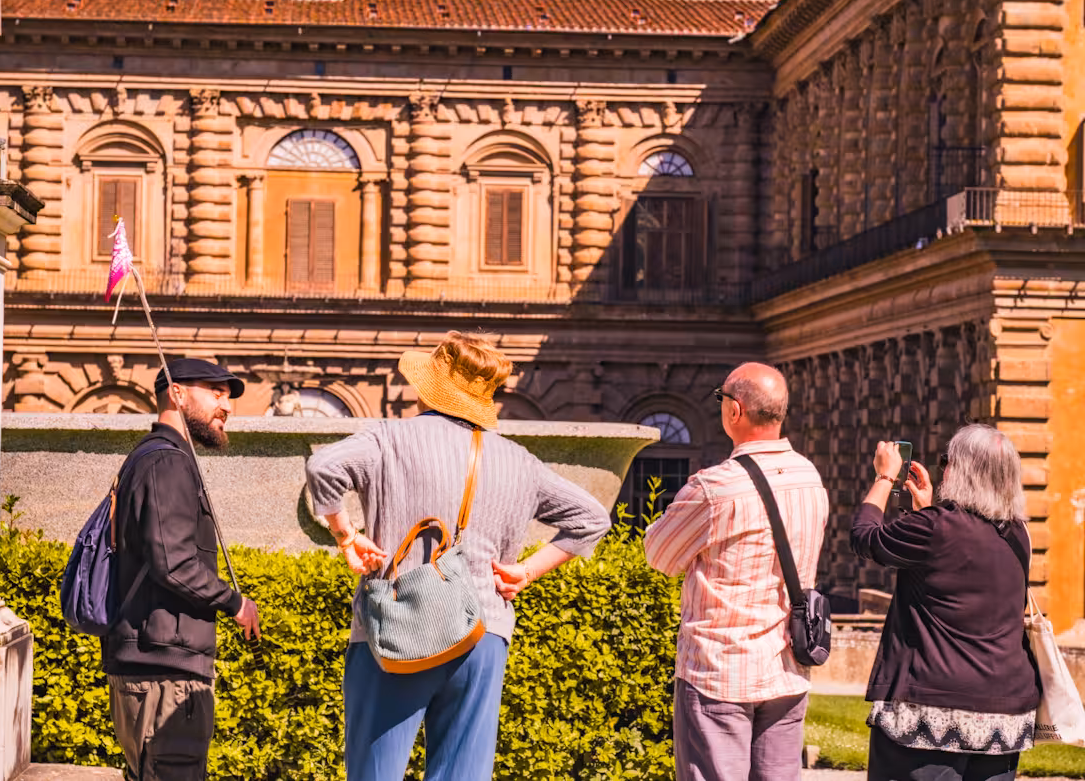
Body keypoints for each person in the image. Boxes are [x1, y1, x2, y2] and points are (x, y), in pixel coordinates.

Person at [305, 331, 611, 781]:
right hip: (482, 633)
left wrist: (347, 534)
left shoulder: (391, 438)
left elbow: (323, 467)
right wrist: (526, 571)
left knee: (376, 773)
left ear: (429, 387)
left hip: (397, 630)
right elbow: (592, 516)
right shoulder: (518, 460)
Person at [643, 362, 829, 781]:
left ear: (735, 411)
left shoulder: (713, 488)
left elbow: (658, 555)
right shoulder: (810, 478)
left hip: (718, 670)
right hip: (786, 669)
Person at [103, 358, 262, 781]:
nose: (226, 406)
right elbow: (173, 563)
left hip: (155, 667)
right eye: (215, 392)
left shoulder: (154, 458)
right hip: (165, 677)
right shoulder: (167, 462)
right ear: (177, 393)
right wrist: (235, 602)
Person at [851, 425, 1039, 781]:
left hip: (932, 705)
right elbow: (959, 564)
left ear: (962, 472)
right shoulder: (1019, 534)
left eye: (945, 463)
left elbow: (865, 537)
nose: (943, 471)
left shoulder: (936, 528)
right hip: (1003, 716)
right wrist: (927, 508)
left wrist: (884, 476)